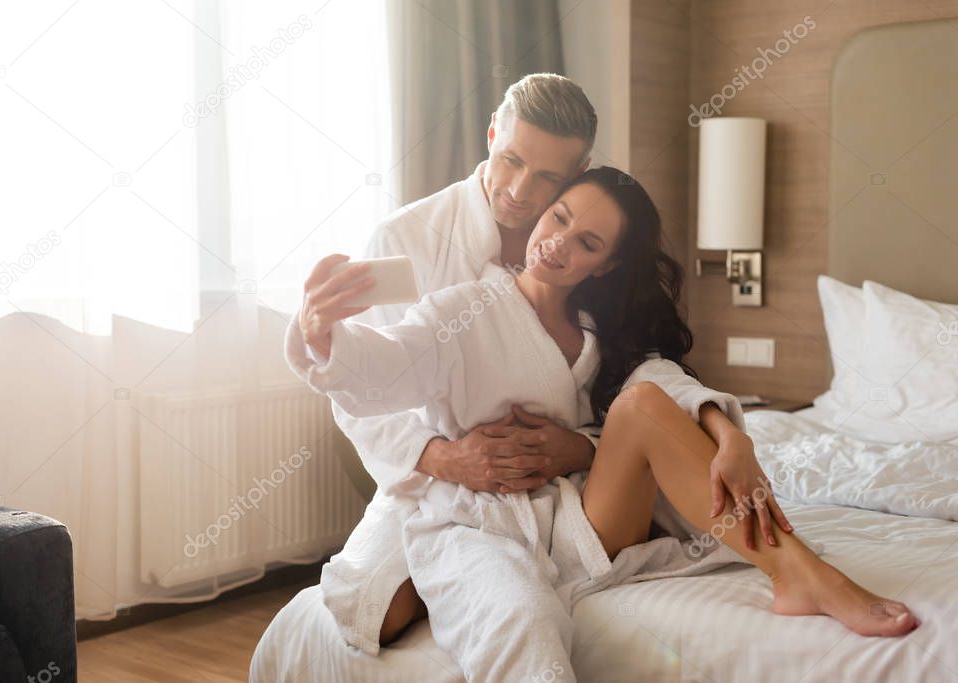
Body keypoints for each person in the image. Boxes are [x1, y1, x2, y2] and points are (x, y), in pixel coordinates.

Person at [287, 167, 919, 681]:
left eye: (587, 242)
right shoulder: (465, 310)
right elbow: (387, 366)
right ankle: (805, 576)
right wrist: (324, 336)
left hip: (579, 524)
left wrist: (733, 435)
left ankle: (800, 575)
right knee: (520, 622)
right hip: (490, 521)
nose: (559, 242)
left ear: (606, 265)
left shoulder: (603, 333)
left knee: (644, 403)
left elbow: (666, 385)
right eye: (558, 218)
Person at [312, 73, 781, 656]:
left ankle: (513, 578)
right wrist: (449, 459)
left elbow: (633, 372)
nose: (518, 190)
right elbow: (364, 392)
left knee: (542, 580)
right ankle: (481, 573)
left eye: (548, 179)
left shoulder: (579, 245)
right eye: (510, 160)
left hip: (563, 477)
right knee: (377, 611)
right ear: (491, 135)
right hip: (434, 480)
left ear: (577, 173)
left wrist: (584, 447)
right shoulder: (406, 237)